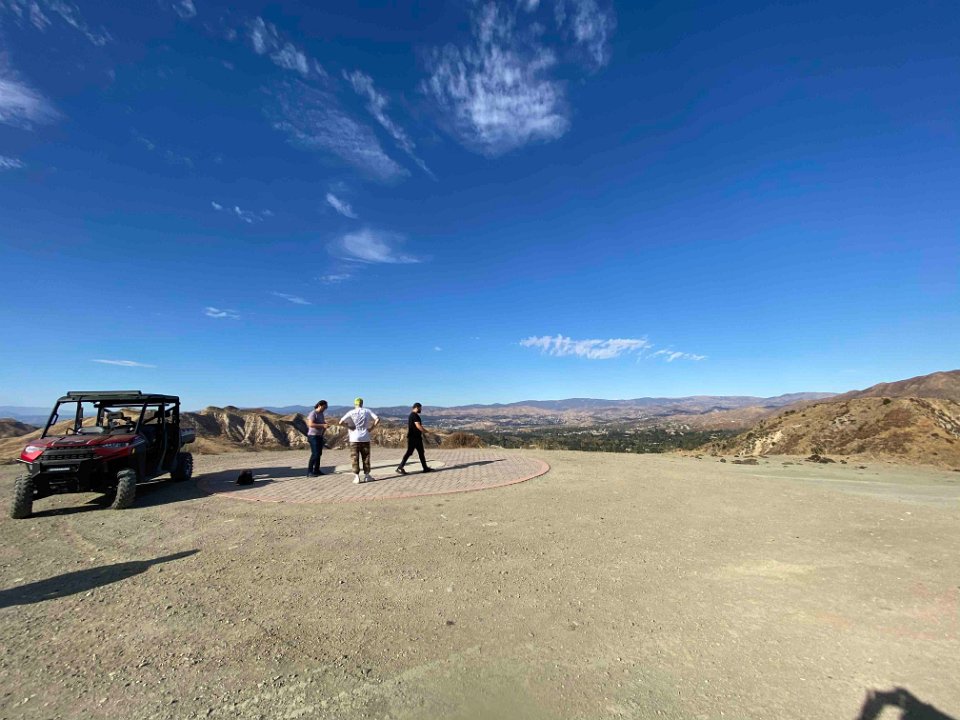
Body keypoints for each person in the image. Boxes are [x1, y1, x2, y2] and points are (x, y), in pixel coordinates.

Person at [339, 397, 379, 483]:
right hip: (365, 437)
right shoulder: (367, 411)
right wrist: (371, 428)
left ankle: (357, 477)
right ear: (362, 404)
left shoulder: (351, 412)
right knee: (366, 457)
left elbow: (340, 422)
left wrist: (349, 427)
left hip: (354, 438)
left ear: (355, 404)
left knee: (354, 457)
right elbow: (377, 419)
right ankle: (367, 476)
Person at [396, 402, 434, 474]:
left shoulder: (413, 415)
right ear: (417, 407)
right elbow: (418, 426)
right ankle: (400, 467)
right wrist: (426, 432)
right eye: (420, 408)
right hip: (413, 438)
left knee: (421, 452)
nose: (421, 410)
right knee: (409, 452)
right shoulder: (414, 415)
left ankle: (425, 468)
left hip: (416, 437)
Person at [305, 400, 329, 477]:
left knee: (319, 454)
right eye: (324, 407)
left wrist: (324, 425)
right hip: (313, 436)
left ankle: (316, 470)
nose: (325, 409)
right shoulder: (313, 413)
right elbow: (310, 424)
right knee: (315, 454)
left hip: (319, 436)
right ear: (319, 406)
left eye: (326, 408)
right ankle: (309, 472)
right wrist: (322, 425)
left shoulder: (321, 414)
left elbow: (322, 423)